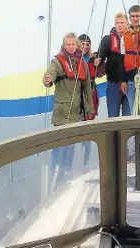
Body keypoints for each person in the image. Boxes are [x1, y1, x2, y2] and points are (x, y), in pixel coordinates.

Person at [43, 32, 94, 184]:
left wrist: (89, 111)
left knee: (70, 146)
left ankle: (65, 176)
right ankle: (54, 177)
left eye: (73, 44)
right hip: (61, 112)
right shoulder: (57, 62)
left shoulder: (82, 64)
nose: (71, 47)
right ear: (63, 46)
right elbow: (50, 74)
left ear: (77, 46)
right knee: (58, 147)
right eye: (68, 45)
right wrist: (47, 80)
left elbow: (87, 90)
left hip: (76, 113)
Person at [78, 34, 105, 170]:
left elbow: (101, 72)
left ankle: (85, 163)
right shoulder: (74, 59)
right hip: (78, 94)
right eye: (82, 43)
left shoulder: (93, 58)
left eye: (87, 44)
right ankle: (76, 161)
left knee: (89, 125)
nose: (85, 46)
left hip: (91, 93)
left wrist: (98, 63)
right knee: (80, 125)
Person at [98, 13, 131, 117]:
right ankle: (114, 134)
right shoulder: (107, 40)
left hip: (131, 83)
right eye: (117, 23)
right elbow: (100, 57)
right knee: (113, 116)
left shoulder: (133, 38)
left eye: (122, 23)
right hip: (113, 83)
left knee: (129, 116)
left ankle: (129, 134)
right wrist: (96, 59)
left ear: (127, 23)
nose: (119, 25)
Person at [122, 5, 140, 112]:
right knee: (133, 108)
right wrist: (123, 81)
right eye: (133, 16)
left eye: (137, 16)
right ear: (129, 18)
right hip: (130, 78)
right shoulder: (124, 35)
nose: (135, 19)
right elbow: (122, 59)